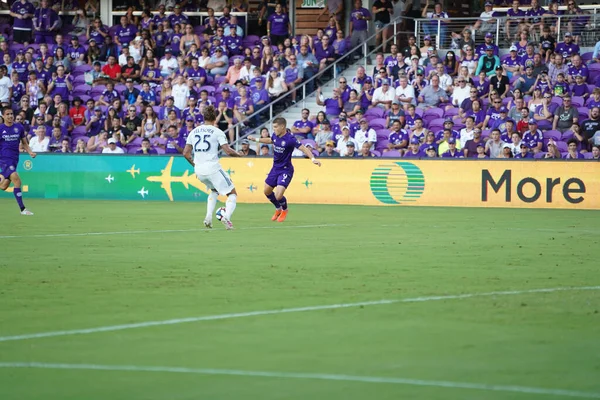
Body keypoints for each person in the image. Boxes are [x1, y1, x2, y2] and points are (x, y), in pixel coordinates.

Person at [248, 117, 321, 223]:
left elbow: (304, 148)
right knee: (266, 191)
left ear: (282, 127)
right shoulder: (275, 135)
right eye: (273, 127)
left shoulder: (290, 139)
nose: (274, 129)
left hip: (286, 170)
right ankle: (278, 209)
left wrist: (313, 159)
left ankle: (284, 210)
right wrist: (256, 139)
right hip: (275, 169)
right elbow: (270, 140)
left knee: (278, 195)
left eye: (276, 127)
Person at [182, 106, 241, 230]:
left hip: (199, 170)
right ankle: (227, 216)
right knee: (232, 194)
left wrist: (195, 165)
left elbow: (185, 153)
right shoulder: (217, 131)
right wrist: (239, 154)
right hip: (212, 167)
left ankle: (208, 217)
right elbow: (227, 151)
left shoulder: (194, 131)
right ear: (215, 118)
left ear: (203, 118)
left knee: (214, 191)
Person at [0, 108, 36, 215]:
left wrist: (30, 152)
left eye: (11, 114)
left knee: (3, 186)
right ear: (3, 116)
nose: (10, 116)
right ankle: (23, 209)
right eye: (8, 114)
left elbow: (24, 143)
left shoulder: (19, 127)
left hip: (15, 159)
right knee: (17, 180)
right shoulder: (0, 128)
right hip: (4, 159)